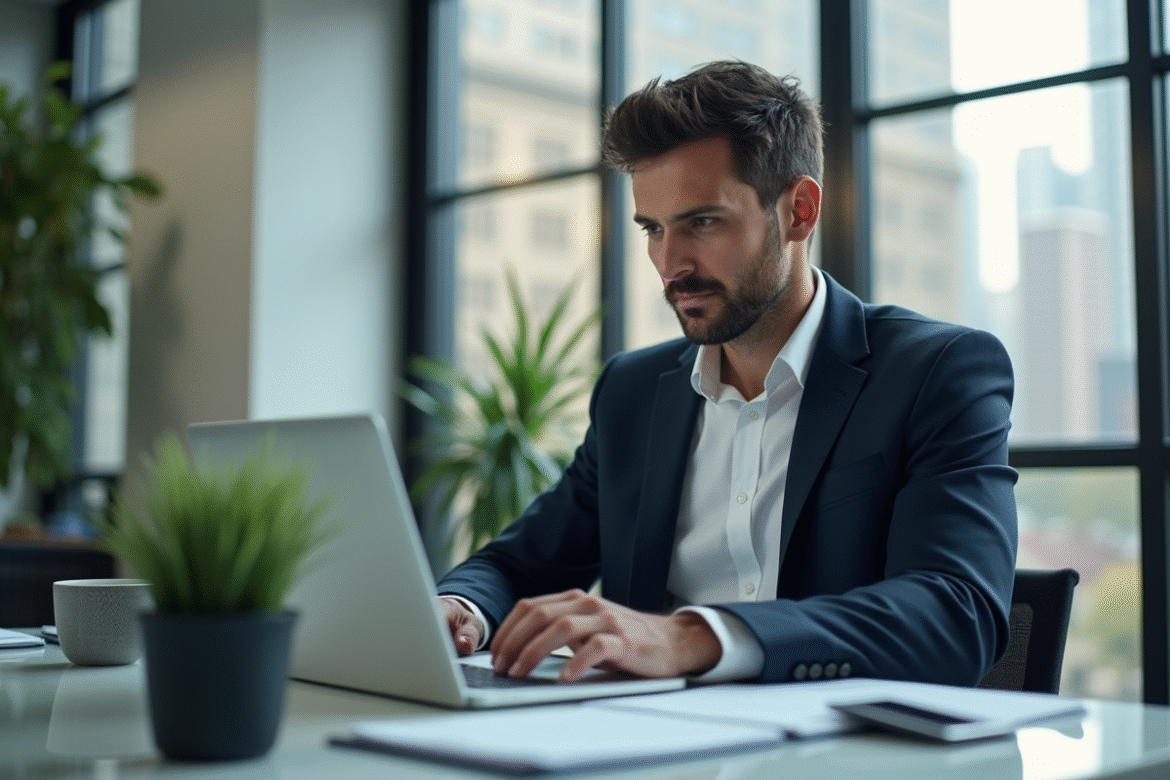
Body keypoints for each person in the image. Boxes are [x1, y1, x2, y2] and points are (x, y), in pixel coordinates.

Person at [436, 60, 1018, 687]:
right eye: (653, 230)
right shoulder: (632, 392)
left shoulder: (936, 372)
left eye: (702, 223)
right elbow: (521, 562)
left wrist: (694, 637)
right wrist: (459, 608)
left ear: (799, 211)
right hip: (645, 744)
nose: (671, 263)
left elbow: (957, 613)